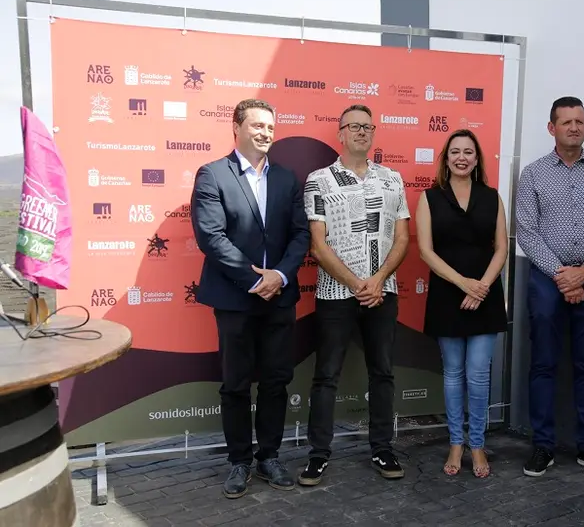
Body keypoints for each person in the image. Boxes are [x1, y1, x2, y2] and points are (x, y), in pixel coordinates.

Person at [191, 98, 310, 498]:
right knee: (236, 384)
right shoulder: (212, 175)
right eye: (257, 125)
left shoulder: (288, 179)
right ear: (237, 127)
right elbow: (211, 236)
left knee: (277, 381)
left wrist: (278, 275)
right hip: (236, 298)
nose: (265, 133)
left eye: (270, 127)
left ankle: (270, 457)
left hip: (279, 297)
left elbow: (301, 235)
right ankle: (239, 461)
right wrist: (252, 279)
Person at [298, 104, 410, 486]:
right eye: (354, 126)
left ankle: (382, 448)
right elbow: (318, 244)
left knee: (382, 373)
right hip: (335, 293)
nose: (362, 132)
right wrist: (355, 283)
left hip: (383, 291)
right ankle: (318, 455)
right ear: (340, 134)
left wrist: (377, 280)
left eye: (367, 126)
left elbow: (402, 237)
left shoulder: (392, 178)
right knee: (326, 375)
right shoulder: (319, 180)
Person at [516, 96, 584, 479]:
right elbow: (526, 232)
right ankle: (543, 446)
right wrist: (563, 275)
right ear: (552, 128)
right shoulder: (532, 174)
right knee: (544, 363)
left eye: (579, 121)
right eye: (566, 122)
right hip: (547, 281)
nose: (574, 127)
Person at [415, 129, 508, 478]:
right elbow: (425, 250)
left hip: (485, 296)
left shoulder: (492, 197)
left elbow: (501, 247)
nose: (462, 157)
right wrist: (463, 284)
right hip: (447, 295)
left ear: (477, 158)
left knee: (478, 374)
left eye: (469, 151)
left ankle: (478, 445)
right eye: (455, 151)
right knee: (453, 374)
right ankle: (456, 442)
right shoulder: (430, 198)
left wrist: (481, 286)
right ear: (446, 158)